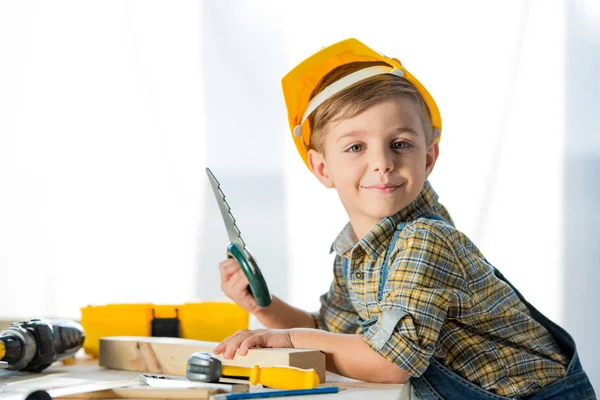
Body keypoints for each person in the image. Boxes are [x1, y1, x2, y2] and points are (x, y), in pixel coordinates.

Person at [213, 38, 596, 399]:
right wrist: (264, 308)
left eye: (400, 144)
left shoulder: (424, 240)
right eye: (356, 146)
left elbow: (390, 360)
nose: (382, 162)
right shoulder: (357, 254)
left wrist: (292, 340)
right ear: (322, 168)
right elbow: (332, 334)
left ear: (428, 158)